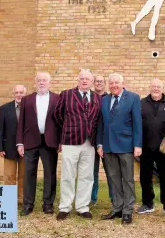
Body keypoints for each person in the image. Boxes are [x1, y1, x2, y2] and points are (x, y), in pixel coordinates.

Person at [54, 69, 101, 220]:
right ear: (78, 79)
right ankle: (65, 207)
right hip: (70, 140)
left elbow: (97, 119)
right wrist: (69, 129)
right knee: (67, 175)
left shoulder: (97, 97)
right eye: (82, 78)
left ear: (92, 81)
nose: (84, 81)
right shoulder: (66, 94)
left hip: (89, 142)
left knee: (87, 176)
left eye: (87, 79)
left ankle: (82, 207)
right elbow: (57, 115)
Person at [97, 73, 142, 224]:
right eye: (111, 83)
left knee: (128, 179)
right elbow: (101, 124)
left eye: (116, 82)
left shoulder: (133, 98)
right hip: (108, 145)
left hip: (126, 145)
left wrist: (137, 145)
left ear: (123, 83)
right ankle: (117, 208)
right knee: (113, 178)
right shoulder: (104, 99)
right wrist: (100, 144)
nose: (114, 85)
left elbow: (137, 123)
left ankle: (127, 211)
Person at [16, 72, 60, 216]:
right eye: (39, 80)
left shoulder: (57, 99)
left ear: (49, 83)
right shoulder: (27, 100)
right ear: (35, 82)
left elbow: (61, 122)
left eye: (44, 80)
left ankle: (48, 204)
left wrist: (60, 141)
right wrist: (19, 142)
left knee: (50, 173)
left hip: (50, 141)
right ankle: (28, 204)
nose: (42, 83)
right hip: (30, 141)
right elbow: (21, 122)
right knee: (29, 173)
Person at [137, 79, 165, 217]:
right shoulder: (141, 103)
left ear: (163, 88)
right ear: (150, 87)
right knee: (145, 177)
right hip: (146, 146)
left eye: (159, 86)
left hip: (163, 148)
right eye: (153, 86)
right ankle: (148, 203)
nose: (156, 88)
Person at [0, 84, 27, 204]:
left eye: (21, 92)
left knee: (24, 176)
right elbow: (0, 129)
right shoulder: (4, 108)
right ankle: (9, 201)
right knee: (9, 176)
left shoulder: (30, 107)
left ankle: (22, 200)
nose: (19, 95)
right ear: (13, 94)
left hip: (26, 148)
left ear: (25, 94)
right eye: (16, 92)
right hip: (8, 148)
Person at [91, 75, 113, 205]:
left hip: (106, 139)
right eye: (96, 81)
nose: (98, 83)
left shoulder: (110, 98)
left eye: (101, 81)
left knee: (110, 171)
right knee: (92, 172)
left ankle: (113, 197)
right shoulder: (90, 97)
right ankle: (92, 198)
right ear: (93, 83)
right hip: (91, 139)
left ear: (105, 84)